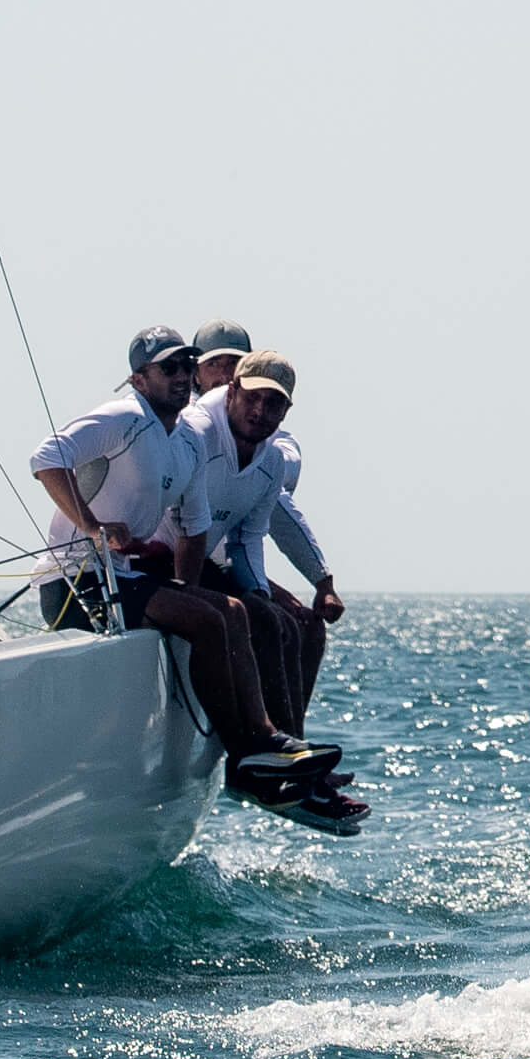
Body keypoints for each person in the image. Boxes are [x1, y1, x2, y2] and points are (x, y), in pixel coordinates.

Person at [26, 327, 328, 796]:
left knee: (231, 612)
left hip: (124, 578)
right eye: (168, 368)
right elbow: (47, 457)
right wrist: (91, 525)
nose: (183, 376)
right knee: (212, 619)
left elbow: (194, 527)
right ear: (139, 379)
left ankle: (258, 746)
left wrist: (190, 594)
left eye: (188, 366)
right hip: (75, 583)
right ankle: (251, 747)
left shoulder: (185, 440)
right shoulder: (125, 417)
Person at [170, 350, 366, 833]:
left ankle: (292, 760)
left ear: (286, 410)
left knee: (286, 620)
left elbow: (250, 537)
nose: (260, 411)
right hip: (158, 559)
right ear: (231, 391)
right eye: (253, 398)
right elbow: (184, 523)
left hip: (206, 559)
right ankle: (262, 756)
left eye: (273, 404)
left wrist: (278, 588)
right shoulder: (198, 431)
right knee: (253, 616)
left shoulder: (272, 457)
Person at [190, 317, 344, 722]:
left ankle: (290, 738)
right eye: (213, 364)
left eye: (234, 363)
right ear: (194, 373)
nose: (224, 373)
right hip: (178, 561)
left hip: (220, 559)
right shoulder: (191, 428)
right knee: (260, 617)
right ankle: (263, 734)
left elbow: (273, 507)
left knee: (302, 623)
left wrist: (321, 580)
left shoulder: (268, 442)